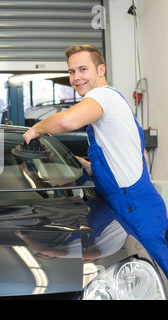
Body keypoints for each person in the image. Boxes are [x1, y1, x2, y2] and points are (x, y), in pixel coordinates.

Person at [23, 44, 168, 277]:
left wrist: (37, 129)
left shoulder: (102, 96)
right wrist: (89, 166)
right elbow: (133, 156)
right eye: (71, 72)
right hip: (130, 203)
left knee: (157, 278)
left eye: (83, 69)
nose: (76, 77)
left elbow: (65, 123)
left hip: (133, 207)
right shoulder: (112, 104)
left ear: (101, 69)